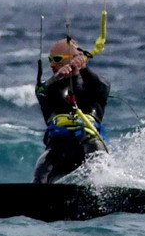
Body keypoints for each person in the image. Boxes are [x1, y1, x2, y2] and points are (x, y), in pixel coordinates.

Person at [33, 36, 111, 183]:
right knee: (42, 171)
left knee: (97, 160)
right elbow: (41, 91)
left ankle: (99, 193)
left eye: (57, 59)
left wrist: (84, 67)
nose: (52, 64)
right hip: (58, 147)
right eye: (50, 59)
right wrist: (57, 77)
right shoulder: (48, 88)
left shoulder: (93, 85)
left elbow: (104, 87)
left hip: (89, 142)